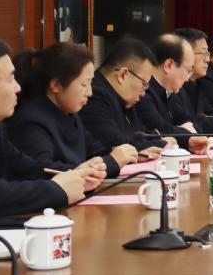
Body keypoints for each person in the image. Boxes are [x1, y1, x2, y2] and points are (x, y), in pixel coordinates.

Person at [0, 31, 104, 217]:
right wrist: (56, 190)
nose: (18, 87)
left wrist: (76, 175)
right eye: (10, 79)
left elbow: (28, 169)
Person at [9, 43, 138, 178]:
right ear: (56, 85)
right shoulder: (30, 121)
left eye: (90, 83)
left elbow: (95, 151)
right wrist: (110, 163)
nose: (89, 92)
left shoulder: (69, 113)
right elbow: (45, 171)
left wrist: (130, 155)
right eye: (84, 84)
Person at [78, 37, 171, 154]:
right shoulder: (95, 96)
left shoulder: (125, 101)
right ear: (123, 75)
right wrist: (162, 143)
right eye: (144, 84)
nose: (143, 93)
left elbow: (141, 134)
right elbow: (116, 143)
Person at [134, 34, 209, 154]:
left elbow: (190, 120)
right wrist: (185, 133)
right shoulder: (144, 93)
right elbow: (161, 129)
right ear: (169, 65)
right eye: (188, 71)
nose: (187, 78)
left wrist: (184, 132)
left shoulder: (171, 91)